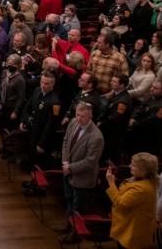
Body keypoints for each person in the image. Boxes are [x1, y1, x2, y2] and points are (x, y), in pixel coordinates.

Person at [58, 102, 105, 243]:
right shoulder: (73, 122)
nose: (79, 119)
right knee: (69, 202)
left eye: (83, 116)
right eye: (77, 115)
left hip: (83, 178)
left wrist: (71, 168)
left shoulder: (96, 137)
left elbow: (90, 162)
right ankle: (68, 227)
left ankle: (76, 235)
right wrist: (65, 162)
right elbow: (66, 142)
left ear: (91, 116)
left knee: (78, 209)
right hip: (68, 172)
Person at [105, 152, 159, 249]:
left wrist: (111, 183)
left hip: (132, 231)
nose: (130, 166)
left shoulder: (141, 189)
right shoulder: (139, 179)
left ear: (143, 170)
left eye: (133, 165)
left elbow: (121, 203)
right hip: (128, 226)